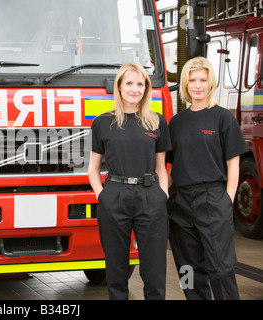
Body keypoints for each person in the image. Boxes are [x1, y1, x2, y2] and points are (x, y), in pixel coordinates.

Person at [166, 57, 248, 300]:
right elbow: (172, 165)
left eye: (202, 79)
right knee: (188, 268)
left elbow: (233, 164)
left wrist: (227, 201)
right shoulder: (176, 122)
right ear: (185, 84)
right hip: (180, 201)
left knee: (220, 268)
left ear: (210, 82)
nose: (197, 85)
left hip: (213, 198)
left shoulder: (222, 118)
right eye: (192, 80)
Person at [88, 62, 171, 300]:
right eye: (129, 83)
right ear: (119, 86)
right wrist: (102, 195)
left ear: (146, 88)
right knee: (116, 271)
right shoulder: (103, 122)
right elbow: (93, 169)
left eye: (140, 84)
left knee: (154, 272)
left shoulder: (156, 122)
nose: (135, 89)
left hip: (150, 197)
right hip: (114, 195)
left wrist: (161, 195)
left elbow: (161, 168)